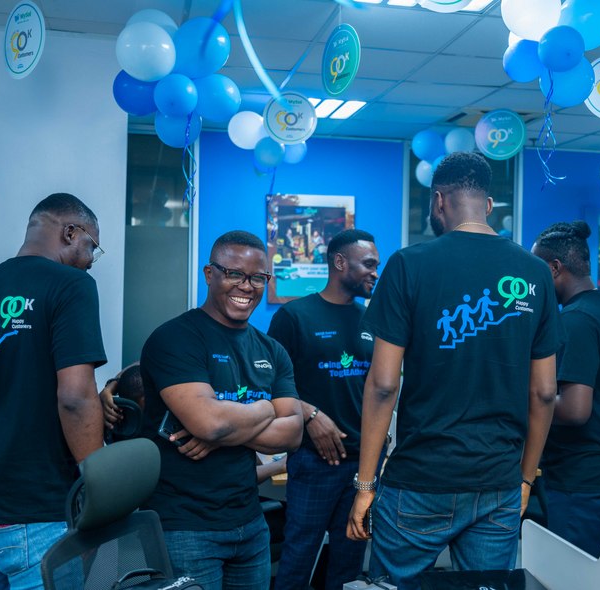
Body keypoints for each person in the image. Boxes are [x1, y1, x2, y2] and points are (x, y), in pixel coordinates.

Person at [346, 152, 563, 589]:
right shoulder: (536, 272)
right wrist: (525, 479)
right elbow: (543, 392)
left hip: (420, 479)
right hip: (499, 482)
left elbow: (384, 385)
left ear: (439, 201)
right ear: (488, 205)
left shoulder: (408, 264)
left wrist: (365, 485)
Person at [0, 193, 106, 590]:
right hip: (35, 511)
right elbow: (75, 398)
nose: (90, 260)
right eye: (92, 247)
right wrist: (100, 486)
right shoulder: (73, 285)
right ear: (70, 232)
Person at [140, 230, 303, 590]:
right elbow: (209, 423)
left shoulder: (272, 350)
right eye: (234, 274)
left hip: (251, 522)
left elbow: (293, 433)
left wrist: (226, 431)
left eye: (257, 277)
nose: (246, 286)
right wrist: (264, 408)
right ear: (209, 274)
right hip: (185, 526)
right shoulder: (175, 338)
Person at [269, 229, 381, 590]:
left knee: (349, 567)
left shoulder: (372, 320)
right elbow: (269, 383)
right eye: (368, 264)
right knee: (298, 560)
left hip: (362, 464)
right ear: (340, 262)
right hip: (313, 461)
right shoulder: (294, 316)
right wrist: (309, 414)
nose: (375, 272)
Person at [532, 221, 600, 558]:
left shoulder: (576, 320)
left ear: (554, 268)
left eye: (536, 271)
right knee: (590, 565)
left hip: (583, 474)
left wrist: (526, 399)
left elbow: (576, 410)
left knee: (571, 571)